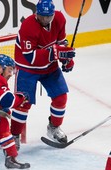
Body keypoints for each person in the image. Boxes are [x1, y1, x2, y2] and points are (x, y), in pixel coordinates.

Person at [10, 0, 76, 148]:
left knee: (61, 97)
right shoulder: (28, 25)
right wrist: (56, 52)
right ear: (36, 13)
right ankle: (14, 135)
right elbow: (30, 57)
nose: (45, 20)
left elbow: (61, 42)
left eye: (48, 16)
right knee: (23, 103)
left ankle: (53, 127)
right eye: (42, 16)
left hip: (49, 67)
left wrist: (66, 58)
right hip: (27, 69)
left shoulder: (59, 18)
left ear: (53, 14)